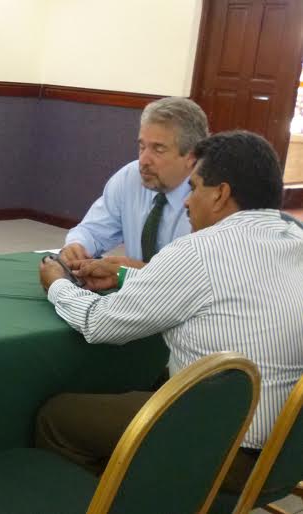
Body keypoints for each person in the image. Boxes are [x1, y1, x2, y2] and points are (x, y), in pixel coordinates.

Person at [36, 130, 303, 492]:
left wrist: (57, 284)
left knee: (58, 417)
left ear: (220, 194)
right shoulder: (294, 237)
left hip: (223, 451)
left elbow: (98, 323)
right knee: (144, 385)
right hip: (286, 451)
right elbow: (226, 292)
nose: (187, 202)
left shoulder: (199, 250)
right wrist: (125, 275)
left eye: (194, 188)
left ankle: (123, 498)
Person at [59, 97, 209, 272]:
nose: (143, 160)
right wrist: (77, 246)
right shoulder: (130, 177)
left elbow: (201, 276)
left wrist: (137, 270)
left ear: (191, 157)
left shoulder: (212, 198)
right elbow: (93, 230)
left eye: (158, 149)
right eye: (142, 147)